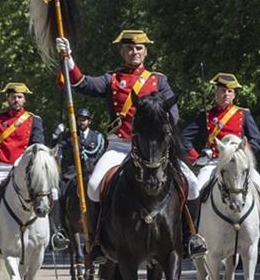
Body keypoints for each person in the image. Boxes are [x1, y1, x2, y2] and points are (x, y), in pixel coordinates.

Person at [55, 30, 205, 264]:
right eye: (129, 48)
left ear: (145, 51)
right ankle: (96, 242)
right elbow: (81, 83)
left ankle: (190, 238)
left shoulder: (158, 80)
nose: (134, 52)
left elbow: (172, 114)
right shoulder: (112, 79)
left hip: (154, 148)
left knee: (193, 184)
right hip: (120, 146)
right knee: (94, 186)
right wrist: (68, 58)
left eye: (138, 48)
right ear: (122, 51)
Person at [183, 73, 260, 257]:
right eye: (222, 91)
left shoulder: (243, 114)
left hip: (239, 165)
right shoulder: (205, 116)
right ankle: (193, 236)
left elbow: (256, 141)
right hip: (213, 164)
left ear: (234, 95)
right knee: (195, 188)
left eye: (229, 91)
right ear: (216, 92)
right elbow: (184, 138)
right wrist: (197, 157)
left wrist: (240, 153)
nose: (225, 94)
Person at [0, 83, 53, 247]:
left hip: (24, 170)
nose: (16, 100)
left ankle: (56, 233)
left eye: (20, 97)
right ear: (8, 99)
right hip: (0, 168)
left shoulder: (34, 120)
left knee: (53, 193)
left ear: (24, 99)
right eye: (13, 97)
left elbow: (37, 144)